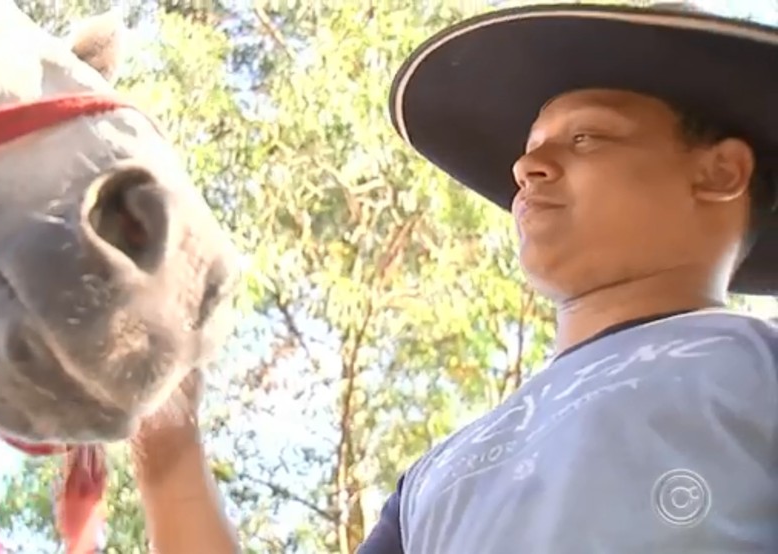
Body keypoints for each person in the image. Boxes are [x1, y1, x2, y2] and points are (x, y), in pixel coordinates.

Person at [128, 3, 778, 553]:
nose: (528, 168)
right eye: (529, 148)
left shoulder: (758, 366)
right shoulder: (433, 480)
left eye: (585, 139)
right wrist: (168, 450)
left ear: (719, 173)